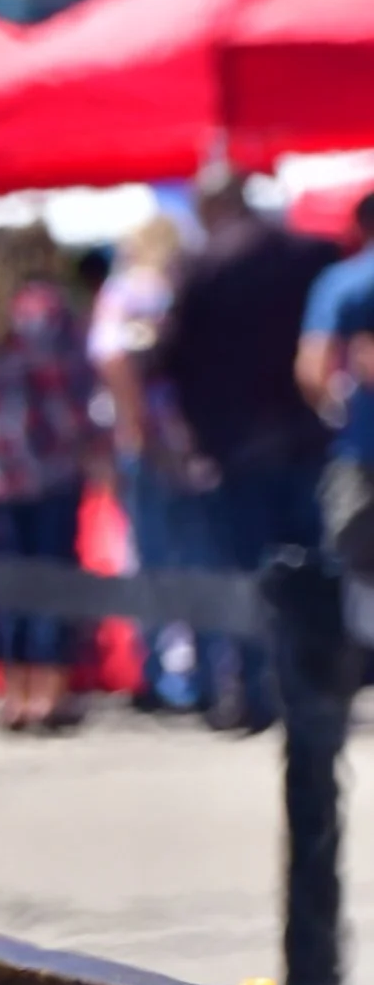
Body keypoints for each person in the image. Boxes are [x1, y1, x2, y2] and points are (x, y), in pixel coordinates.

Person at [160, 167, 336, 731]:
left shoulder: (203, 267)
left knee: (249, 573)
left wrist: (190, 434)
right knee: (308, 572)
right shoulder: (311, 255)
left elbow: (170, 359)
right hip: (303, 437)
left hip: (235, 445)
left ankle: (255, 690)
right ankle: (309, 684)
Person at [0, 224, 95, 731]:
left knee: (12, 580)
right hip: (47, 465)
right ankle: (47, 694)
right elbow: (68, 390)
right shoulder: (44, 309)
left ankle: (16, 691)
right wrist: (85, 442)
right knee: (51, 576)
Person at [88, 214, 210, 709]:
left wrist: (133, 423)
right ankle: (203, 668)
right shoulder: (185, 286)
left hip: (149, 443)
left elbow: (111, 357)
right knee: (198, 556)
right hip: (194, 443)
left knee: (151, 557)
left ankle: (162, 674)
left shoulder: (126, 292)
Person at [297, 185, 374, 578]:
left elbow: (313, 368)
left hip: (363, 452)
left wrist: (338, 411)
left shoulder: (345, 282)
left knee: (357, 571)